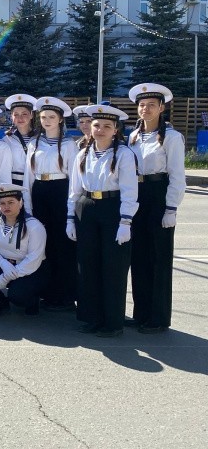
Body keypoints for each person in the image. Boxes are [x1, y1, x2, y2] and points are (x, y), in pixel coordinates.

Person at [67, 104, 138, 337]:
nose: (100, 130)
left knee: (113, 267)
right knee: (88, 265)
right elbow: (74, 189)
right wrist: (70, 218)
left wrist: (125, 222)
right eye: (96, 125)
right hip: (87, 208)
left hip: (112, 208)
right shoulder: (82, 154)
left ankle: (113, 322)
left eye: (107, 126)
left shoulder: (124, 154)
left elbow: (129, 190)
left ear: (116, 130)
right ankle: (92, 317)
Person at [127, 83, 185, 333]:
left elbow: (177, 175)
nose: (146, 109)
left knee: (158, 258)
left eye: (151, 105)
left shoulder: (171, 137)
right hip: (137, 196)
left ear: (162, 108)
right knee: (138, 257)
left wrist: (171, 208)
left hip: (158, 195)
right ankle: (141, 313)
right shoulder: (133, 136)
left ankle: (158, 318)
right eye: (142, 105)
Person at [24, 96, 78, 311]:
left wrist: (71, 207)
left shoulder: (69, 144)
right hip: (39, 191)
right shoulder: (34, 143)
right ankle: (45, 292)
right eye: (44, 117)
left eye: (51, 117)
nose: (46, 121)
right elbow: (28, 177)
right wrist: (28, 205)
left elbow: (74, 177)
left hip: (60, 191)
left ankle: (64, 294)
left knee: (62, 244)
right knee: (42, 244)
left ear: (60, 120)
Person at [0, 184, 48, 316]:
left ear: (21, 203)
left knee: (17, 296)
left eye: (11, 202)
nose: (6, 206)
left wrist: (5, 277)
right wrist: (3, 264)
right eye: (2, 203)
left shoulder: (34, 226)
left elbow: (34, 259)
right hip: (5, 264)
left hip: (30, 269)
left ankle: (32, 301)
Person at [3, 94, 38, 186]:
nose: (20, 118)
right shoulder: (6, 141)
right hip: (14, 183)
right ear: (11, 117)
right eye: (16, 114)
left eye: (24, 114)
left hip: (37, 183)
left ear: (31, 115)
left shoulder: (40, 139)